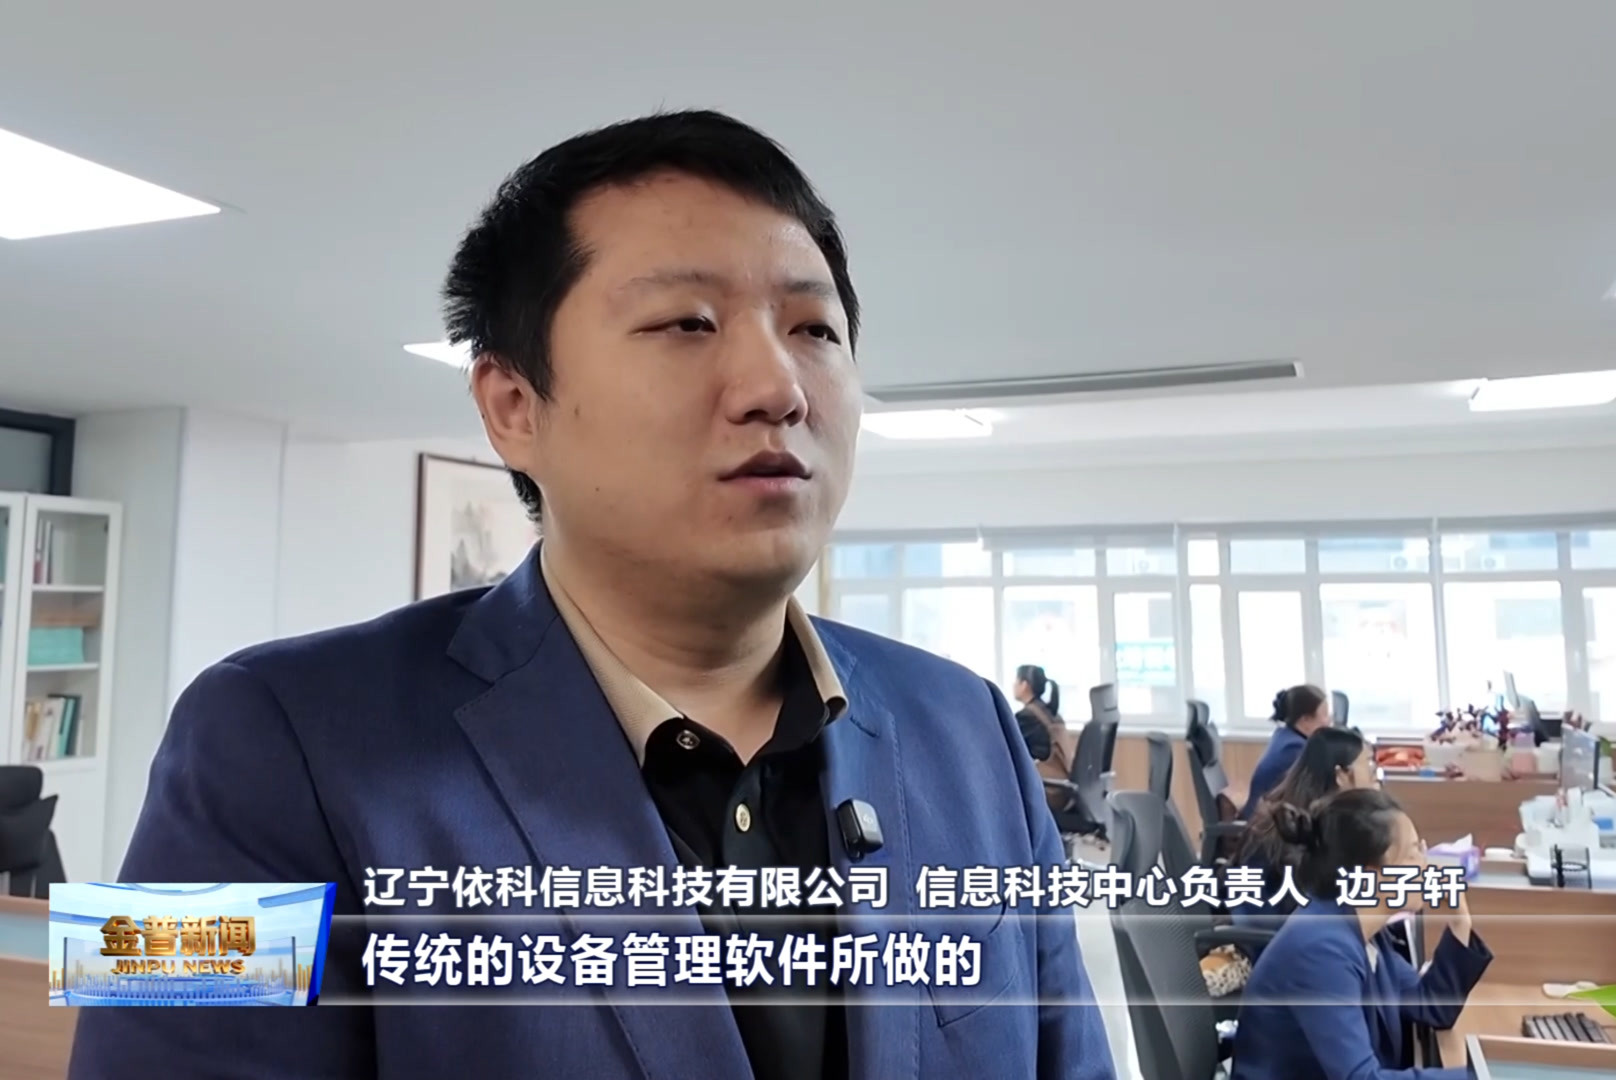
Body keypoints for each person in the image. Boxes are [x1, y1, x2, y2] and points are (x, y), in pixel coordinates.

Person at [70, 110, 1113, 1080]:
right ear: (513, 406)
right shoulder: (258, 736)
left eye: (814, 329)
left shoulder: (967, 728)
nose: (778, 388)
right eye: (687, 323)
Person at [1232, 789, 1493, 1080]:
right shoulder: (1321, 950)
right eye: (1412, 854)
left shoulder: (1363, 931)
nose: (1427, 866)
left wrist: (1459, 923)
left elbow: (1429, 1006)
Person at [1239, 727, 1376, 903]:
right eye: (1368, 763)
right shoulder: (1321, 828)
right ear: (1341, 775)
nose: (1374, 772)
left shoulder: (1304, 808)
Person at [1242, 685, 1333, 819]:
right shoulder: (1294, 749)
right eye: (1324, 714)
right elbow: (1313, 792)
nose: (1330, 721)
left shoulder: (1285, 735)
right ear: (1305, 720)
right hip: (1265, 823)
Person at [1014, 663, 1072, 809]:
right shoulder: (1051, 712)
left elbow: (1010, 750)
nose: (1013, 685)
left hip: (1049, 790)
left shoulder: (1027, 717)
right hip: (1063, 785)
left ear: (1024, 685)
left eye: (1016, 680)